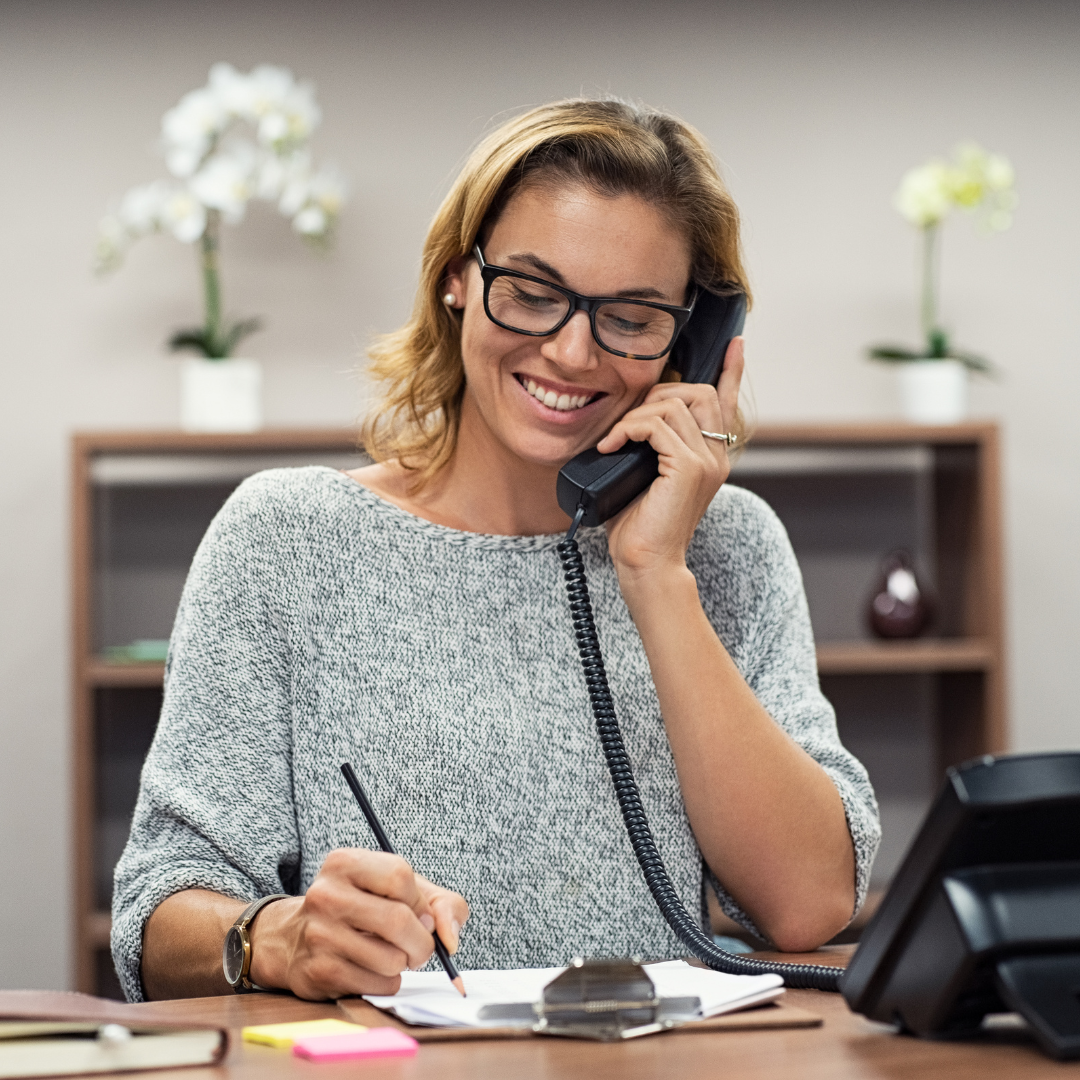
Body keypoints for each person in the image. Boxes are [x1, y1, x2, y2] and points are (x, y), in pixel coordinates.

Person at [113, 98, 880, 1003]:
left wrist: (654, 572)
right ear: (457, 278)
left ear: (695, 339)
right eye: (532, 292)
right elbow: (155, 915)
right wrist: (276, 937)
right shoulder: (286, 538)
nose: (572, 351)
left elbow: (807, 906)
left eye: (633, 316)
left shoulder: (726, 547)